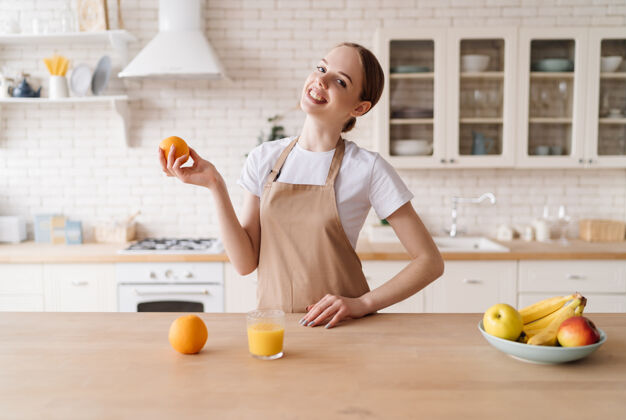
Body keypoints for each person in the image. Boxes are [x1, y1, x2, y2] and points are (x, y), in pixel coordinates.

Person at [159, 42, 444, 329]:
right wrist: (215, 185)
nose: (321, 80)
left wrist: (362, 304)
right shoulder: (264, 158)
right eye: (321, 68)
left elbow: (430, 262)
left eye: (340, 81)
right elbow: (245, 263)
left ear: (359, 107)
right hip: (275, 329)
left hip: (344, 331)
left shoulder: (367, 168)